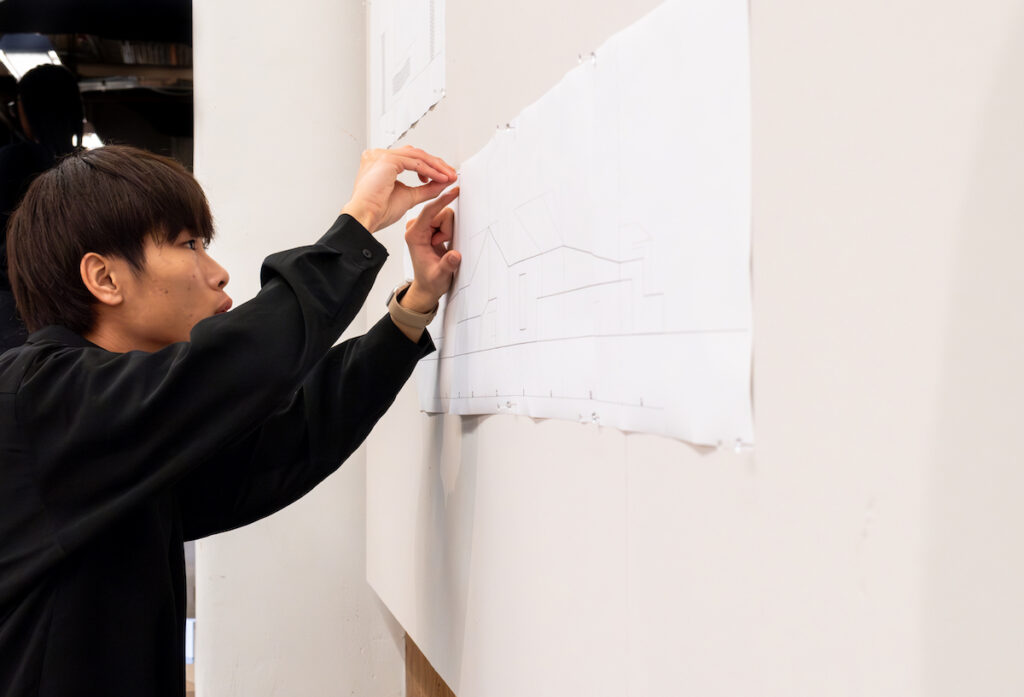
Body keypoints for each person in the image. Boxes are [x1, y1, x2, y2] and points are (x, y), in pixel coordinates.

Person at [0, 143, 461, 696]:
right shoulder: (37, 402)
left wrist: (410, 310)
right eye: (188, 244)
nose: (218, 273)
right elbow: (241, 363)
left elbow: (287, 441)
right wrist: (359, 222)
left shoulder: (116, 437)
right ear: (104, 278)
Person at [0, 64, 84, 350]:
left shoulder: (13, 161)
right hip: (74, 311)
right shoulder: (91, 170)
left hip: (13, 309)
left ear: (29, 111)